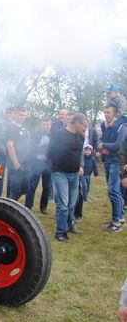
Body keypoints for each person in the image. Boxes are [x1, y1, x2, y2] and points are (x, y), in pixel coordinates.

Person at [47, 113, 88, 242]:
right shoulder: (58, 135)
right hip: (60, 174)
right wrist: (60, 164)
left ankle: (70, 226)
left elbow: (79, 153)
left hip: (75, 174)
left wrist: (80, 165)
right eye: (84, 125)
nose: (85, 129)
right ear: (76, 123)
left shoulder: (80, 136)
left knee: (72, 204)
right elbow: (49, 153)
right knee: (63, 205)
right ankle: (60, 233)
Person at [98, 102, 127, 232]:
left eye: (108, 112)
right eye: (104, 112)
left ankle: (116, 222)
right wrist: (102, 144)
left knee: (113, 191)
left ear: (115, 113)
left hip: (117, 162)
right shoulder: (105, 126)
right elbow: (99, 140)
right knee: (113, 192)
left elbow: (117, 146)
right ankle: (119, 217)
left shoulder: (122, 126)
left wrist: (104, 145)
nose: (106, 114)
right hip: (108, 161)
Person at [5, 105, 32, 201]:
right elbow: (9, 145)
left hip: (26, 163)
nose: (23, 117)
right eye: (21, 115)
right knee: (15, 189)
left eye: (24, 115)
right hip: (16, 164)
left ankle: (10, 203)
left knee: (26, 186)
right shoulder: (11, 127)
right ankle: (9, 207)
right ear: (15, 114)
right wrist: (16, 163)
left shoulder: (24, 128)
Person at [25, 117, 52, 214]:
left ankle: (43, 207)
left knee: (47, 187)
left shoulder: (53, 136)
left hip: (48, 164)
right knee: (32, 186)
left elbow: (54, 149)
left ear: (50, 125)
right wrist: (41, 148)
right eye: (44, 124)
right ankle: (28, 207)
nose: (45, 126)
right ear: (41, 125)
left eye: (47, 124)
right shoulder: (35, 134)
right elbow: (31, 148)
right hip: (36, 163)